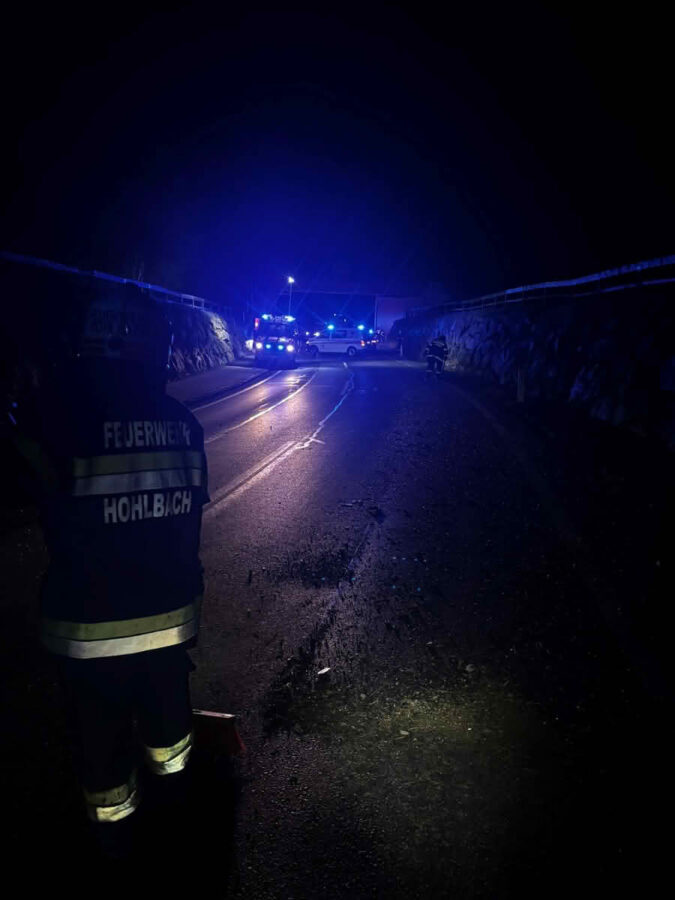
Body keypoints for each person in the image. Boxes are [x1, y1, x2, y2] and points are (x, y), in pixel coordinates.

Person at [9, 277, 209, 858]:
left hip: (86, 634)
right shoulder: (185, 425)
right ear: (156, 346)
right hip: (170, 626)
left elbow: (23, 486)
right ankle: (177, 835)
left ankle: (114, 848)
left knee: (100, 754)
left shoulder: (55, 419)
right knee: (170, 740)